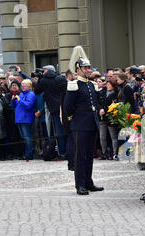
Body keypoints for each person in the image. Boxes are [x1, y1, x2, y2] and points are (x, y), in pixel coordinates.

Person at [64, 46, 104, 195]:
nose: (88, 70)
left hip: (92, 122)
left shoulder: (91, 84)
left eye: (89, 68)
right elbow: (68, 107)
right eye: (85, 68)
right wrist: (74, 119)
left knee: (89, 155)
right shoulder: (74, 84)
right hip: (80, 123)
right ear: (78, 70)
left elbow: (95, 102)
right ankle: (79, 184)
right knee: (80, 155)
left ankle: (88, 182)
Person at [34, 65, 67, 159]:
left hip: (53, 108)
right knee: (63, 130)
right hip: (63, 106)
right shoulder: (60, 78)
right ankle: (64, 151)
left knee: (57, 131)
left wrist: (40, 78)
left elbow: (37, 90)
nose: (42, 72)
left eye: (43, 71)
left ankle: (62, 152)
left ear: (47, 71)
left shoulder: (44, 81)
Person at [11, 79, 36, 161]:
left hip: (26, 118)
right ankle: (27, 153)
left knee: (28, 137)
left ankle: (29, 154)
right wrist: (13, 101)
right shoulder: (21, 94)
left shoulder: (31, 94)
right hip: (19, 119)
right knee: (24, 137)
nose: (22, 87)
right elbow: (14, 106)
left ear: (29, 86)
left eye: (24, 85)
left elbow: (28, 106)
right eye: (22, 85)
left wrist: (19, 99)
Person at [98, 81, 119, 160]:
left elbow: (115, 106)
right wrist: (100, 109)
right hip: (102, 117)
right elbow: (98, 103)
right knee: (102, 136)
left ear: (113, 86)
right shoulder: (102, 93)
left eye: (109, 84)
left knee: (113, 136)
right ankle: (104, 153)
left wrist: (105, 109)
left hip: (111, 117)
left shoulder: (115, 94)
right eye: (107, 84)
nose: (107, 86)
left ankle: (115, 153)